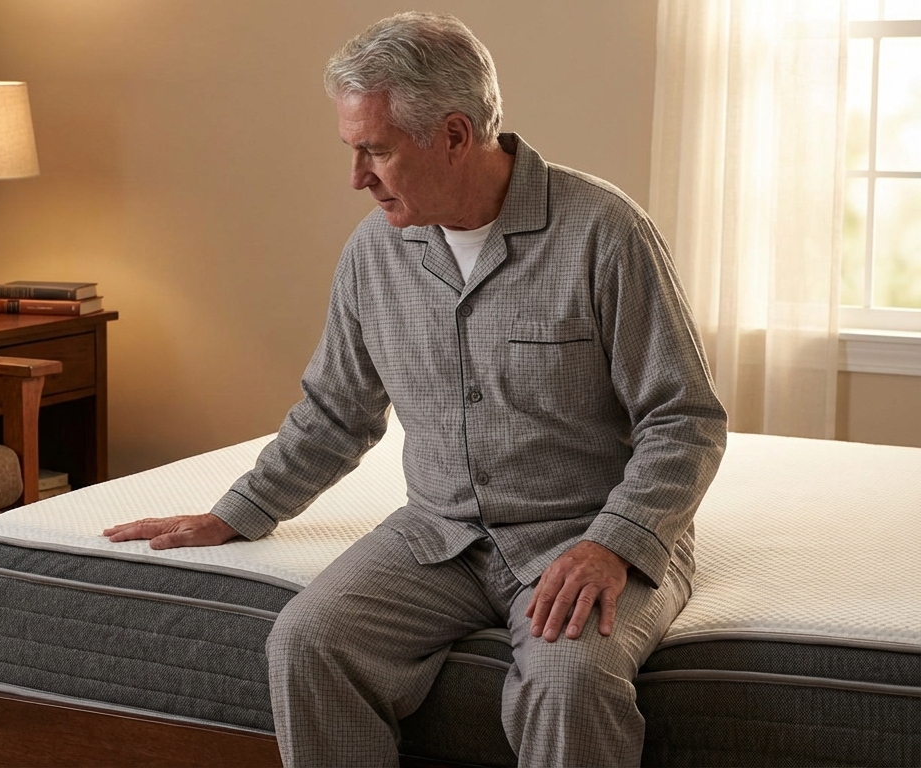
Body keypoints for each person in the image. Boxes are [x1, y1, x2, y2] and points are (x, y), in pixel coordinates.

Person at [104, 11, 726, 767]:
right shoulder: (374, 251)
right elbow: (336, 413)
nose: (356, 176)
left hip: (583, 532)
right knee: (307, 640)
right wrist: (235, 513)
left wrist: (612, 544)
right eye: (353, 149)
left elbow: (685, 419)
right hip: (439, 537)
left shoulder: (605, 231)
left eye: (376, 150)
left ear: (455, 136)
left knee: (569, 681)